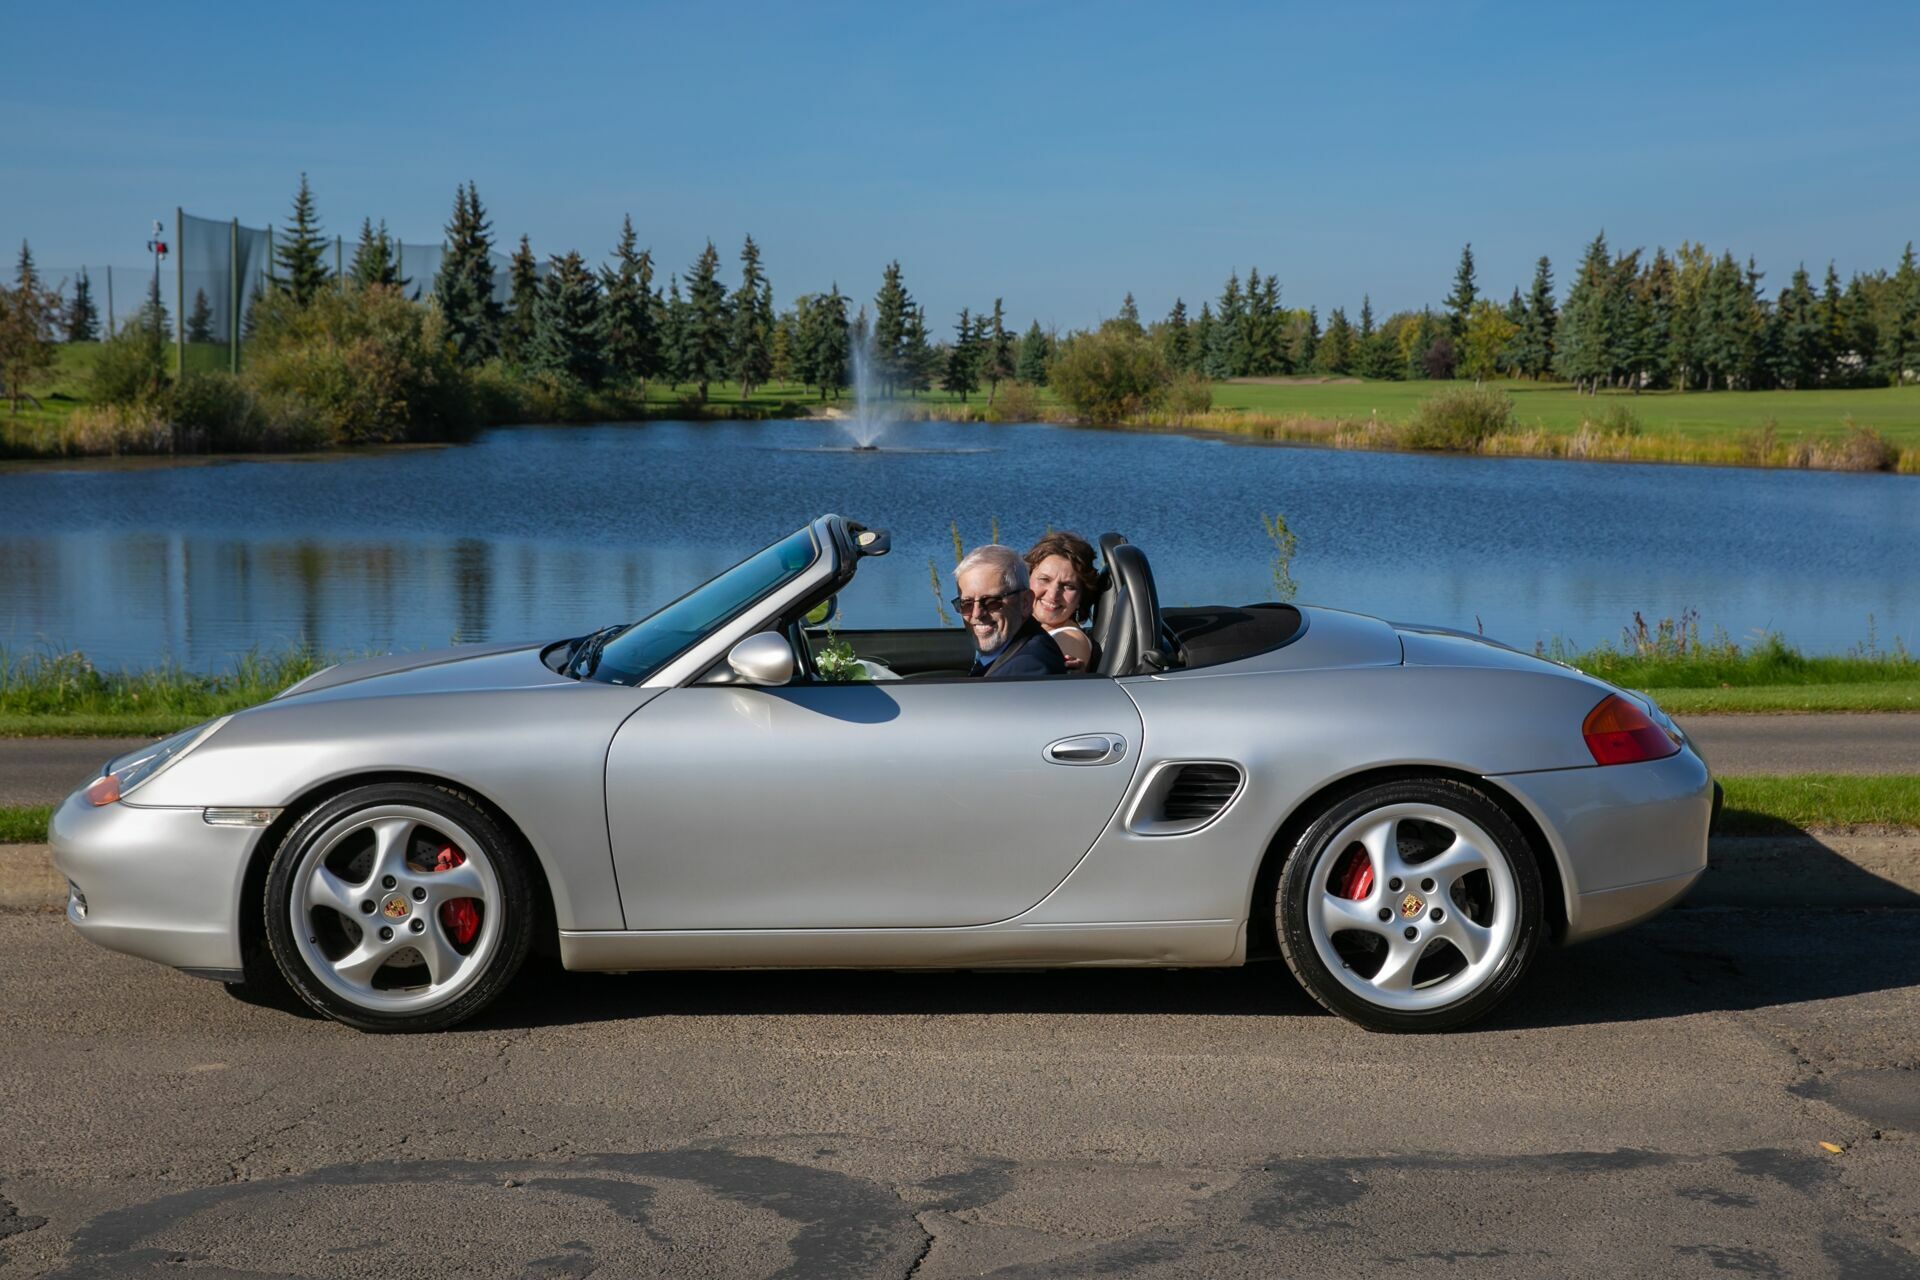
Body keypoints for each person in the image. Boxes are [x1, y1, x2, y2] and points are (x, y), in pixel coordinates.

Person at [952, 545, 1067, 678]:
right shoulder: (1012, 653)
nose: (977, 613)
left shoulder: (1027, 669)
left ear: (1025, 603)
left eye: (991, 602)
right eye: (967, 604)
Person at [1024, 532, 1100, 672]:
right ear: (1027, 580)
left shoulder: (1070, 639)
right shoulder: (1029, 630)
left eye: (1068, 586)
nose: (1053, 595)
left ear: (1081, 596)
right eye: (1044, 580)